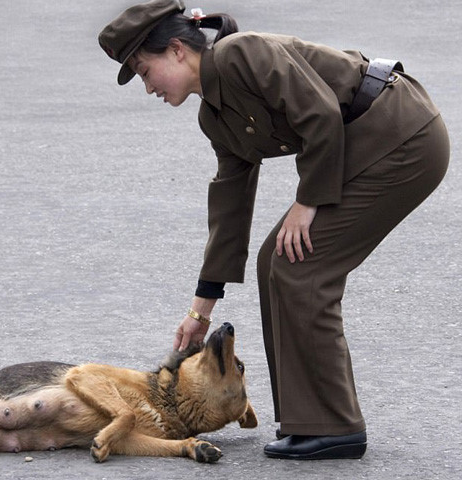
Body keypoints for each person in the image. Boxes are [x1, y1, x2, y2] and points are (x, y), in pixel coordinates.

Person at [98, 0, 449, 460]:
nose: (148, 89)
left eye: (146, 72)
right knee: (276, 261)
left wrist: (308, 201)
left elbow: (320, 113)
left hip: (401, 135)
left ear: (178, 50)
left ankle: (335, 425)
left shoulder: (242, 54)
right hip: (363, 145)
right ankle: (310, 422)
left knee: (300, 264)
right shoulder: (214, 116)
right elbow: (230, 208)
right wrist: (200, 312)